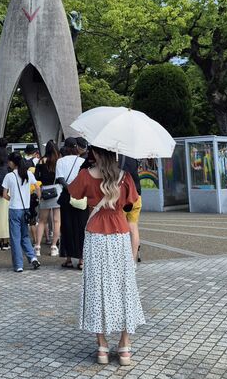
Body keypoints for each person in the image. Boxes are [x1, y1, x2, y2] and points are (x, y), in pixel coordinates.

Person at [68, 145, 146, 366]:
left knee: (97, 288)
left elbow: (73, 194)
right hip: (119, 234)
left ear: (96, 153)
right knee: (123, 287)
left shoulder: (86, 175)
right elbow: (131, 202)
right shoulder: (125, 177)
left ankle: (102, 347)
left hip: (95, 235)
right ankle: (124, 346)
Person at [3, 152, 41, 272]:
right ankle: (33, 258)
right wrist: (38, 199)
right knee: (25, 236)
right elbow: (37, 187)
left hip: (14, 209)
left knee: (15, 238)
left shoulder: (9, 176)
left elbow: (4, 195)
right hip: (26, 209)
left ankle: (19, 265)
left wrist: (12, 199)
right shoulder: (28, 174)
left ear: (12, 163)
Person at [56, 138, 86, 269]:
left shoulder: (60, 161)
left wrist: (68, 188)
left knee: (66, 227)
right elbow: (85, 178)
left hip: (66, 196)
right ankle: (81, 260)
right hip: (80, 196)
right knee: (81, 227)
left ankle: (68, 259)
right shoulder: (83, 161)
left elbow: (60, 178)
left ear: (65, 147)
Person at [34, 140, 62, 258]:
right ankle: (54, 247)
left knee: (42, 220)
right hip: (56, 190)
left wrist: (39, 193)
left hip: (45, 191)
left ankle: (37, 247)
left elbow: (36, 178)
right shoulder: (59, 161)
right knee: (56, 221)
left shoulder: (41, 161)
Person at [120, 155, 143, 262]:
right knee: (133, 227)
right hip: (136, 195)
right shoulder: (132, 157)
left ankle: (121, 259)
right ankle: (132, 260)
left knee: (120, 228)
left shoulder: (117, 158)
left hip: (123, 197)